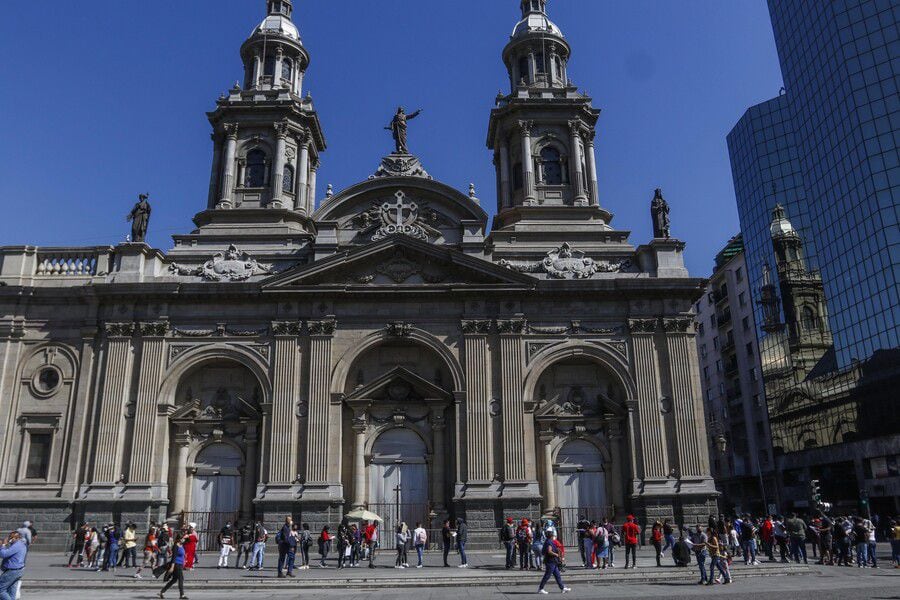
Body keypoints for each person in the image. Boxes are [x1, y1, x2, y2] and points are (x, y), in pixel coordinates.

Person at [537, 530, 571, 595]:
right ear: (551, 536)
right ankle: (540, 589)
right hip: (550, 561)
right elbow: (549, 551)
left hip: (553, 561)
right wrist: (556, 554)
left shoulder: (549, 541)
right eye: (553, 535)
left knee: (557, 575)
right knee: (547, 575)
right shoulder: (549, 542)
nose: (554, 537)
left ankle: (562, 588)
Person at [0, 532, 27, 600]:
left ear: (17, 538)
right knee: (11, 591)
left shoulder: (17, 545)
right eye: (9, 537)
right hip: (18, 570)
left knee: (1, 590)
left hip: (12, 571)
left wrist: (3, 545)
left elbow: (4, 554)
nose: (9, 539)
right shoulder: (20, 544)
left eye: (11, 538)